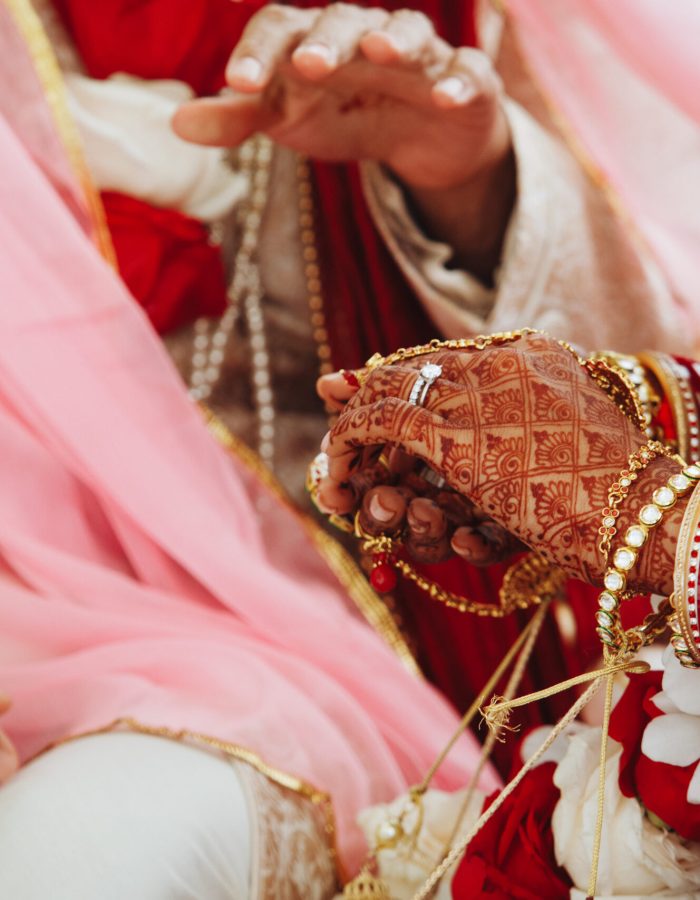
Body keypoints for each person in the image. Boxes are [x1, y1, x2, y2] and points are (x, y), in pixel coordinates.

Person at [0, 14, 501, 898]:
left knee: (80, 855)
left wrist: (469, 185)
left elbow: (652, 320)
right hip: (26, 633)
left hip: (296, 655)